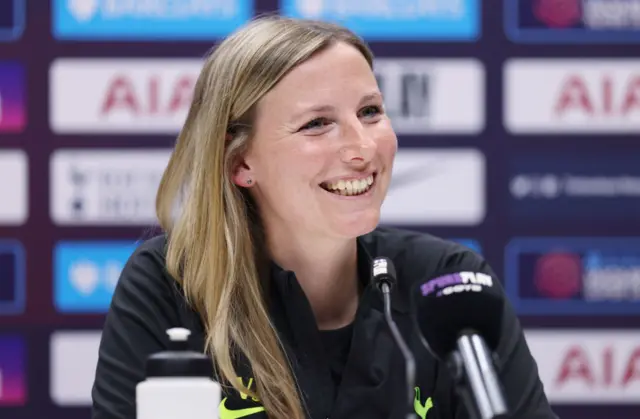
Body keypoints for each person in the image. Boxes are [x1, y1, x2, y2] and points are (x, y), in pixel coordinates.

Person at [91, 15, 558, 419]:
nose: (362, 148)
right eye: (317, 123)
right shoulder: (172, 285)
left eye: (370, 112)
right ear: (240, 163)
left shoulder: (448, 283)